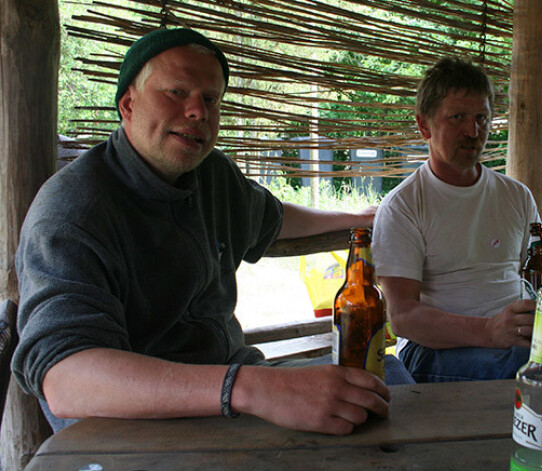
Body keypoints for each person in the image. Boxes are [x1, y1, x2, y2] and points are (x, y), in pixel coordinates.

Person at [12, 28, 413, 436]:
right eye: (176, 92)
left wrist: (354, 219)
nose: (197, 112)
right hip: (128, 425)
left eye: (209, 99)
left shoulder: (211, 176)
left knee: (385, 380)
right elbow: (65, 379)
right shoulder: (73, 212)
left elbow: (273, 219)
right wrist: (252, 389)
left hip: (230, 389)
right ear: (128, 104)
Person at [372, 57, 542, 383]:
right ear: (424, 125)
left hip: (513, 345)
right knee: (525, 374)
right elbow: (402, 318)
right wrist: (489, 331)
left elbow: (535, 277)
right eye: (457, 117)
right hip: (432, 350)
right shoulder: (404, 206)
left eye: (482, 118)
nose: (473, 131)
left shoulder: (516, 196)